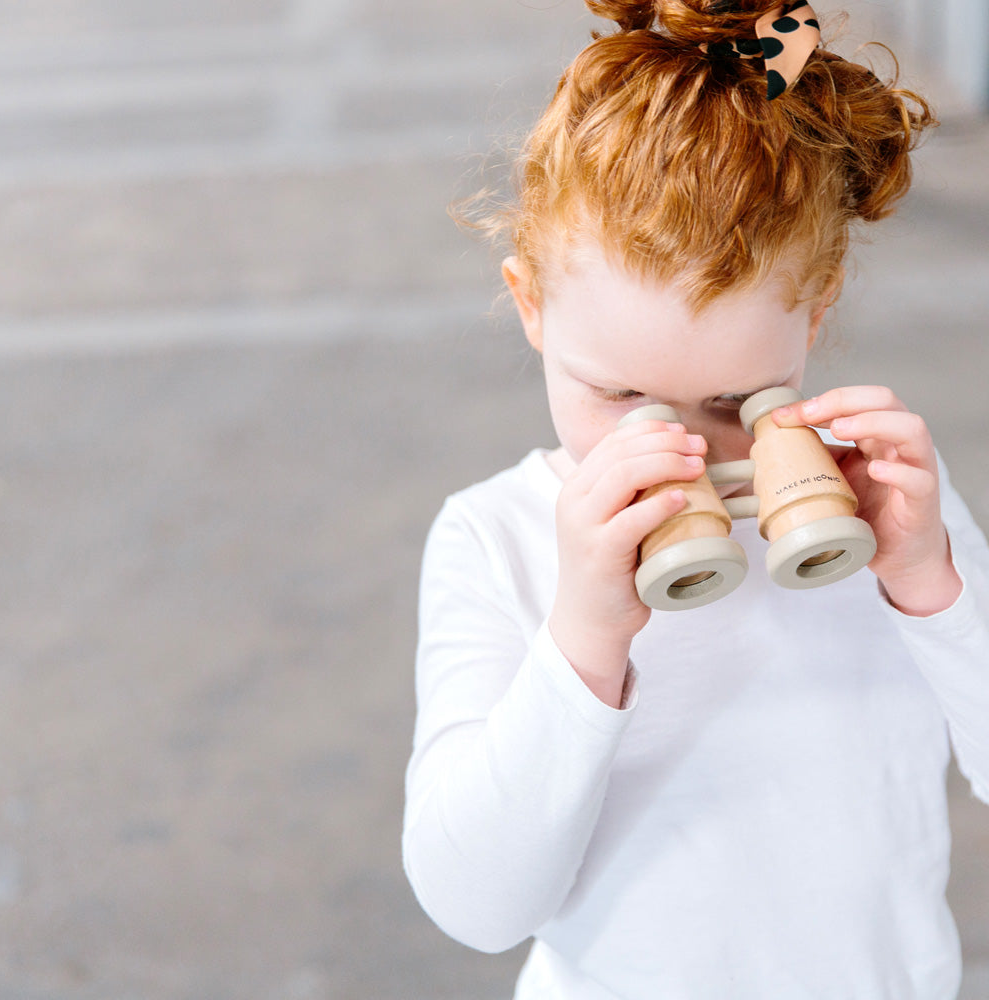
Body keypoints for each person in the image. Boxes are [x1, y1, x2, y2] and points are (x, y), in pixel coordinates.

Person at [403, 1, 989, 996]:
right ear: (529, 302)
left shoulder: (885, 517)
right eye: (620, 397)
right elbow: (476, 905)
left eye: (732, 401)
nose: (671, 447)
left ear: (816, 308)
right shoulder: (498, 539)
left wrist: (934, 590)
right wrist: (583, 641)